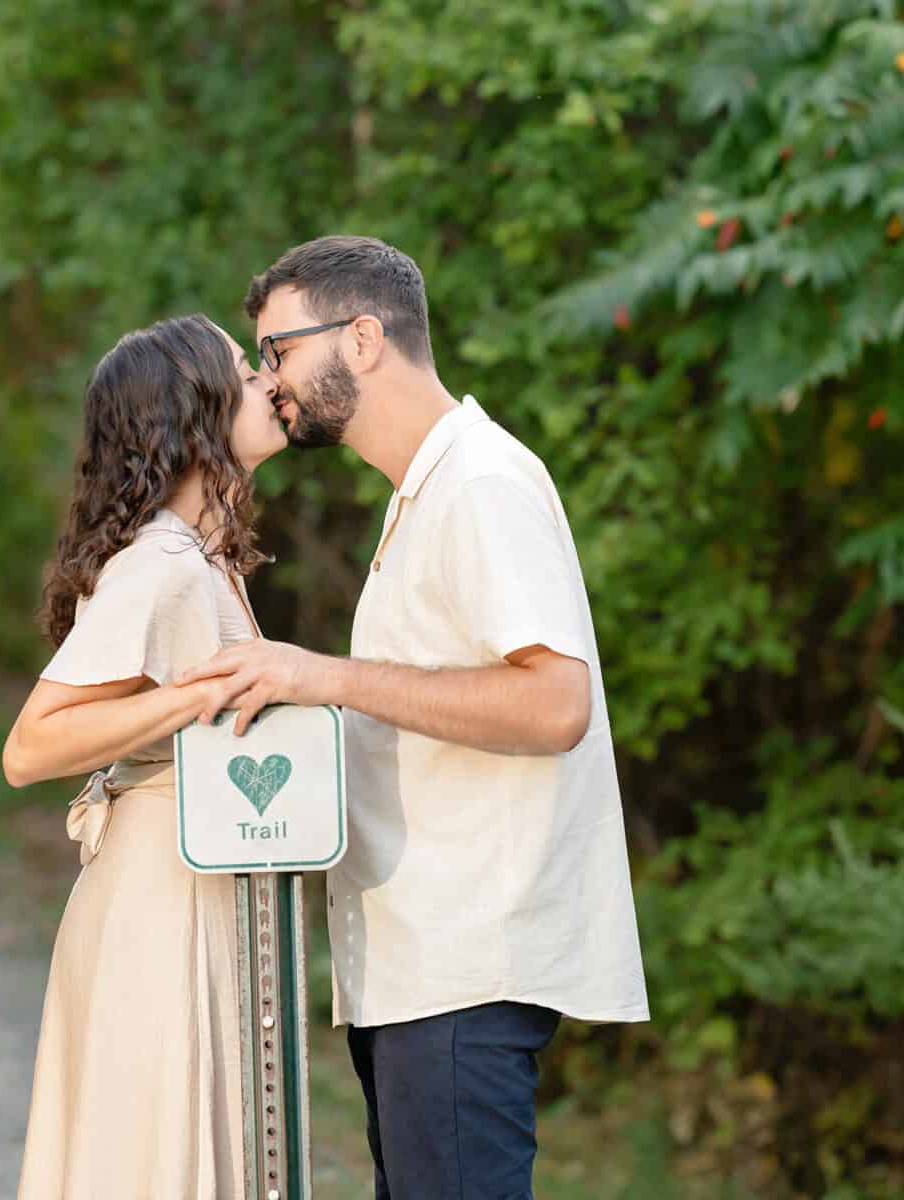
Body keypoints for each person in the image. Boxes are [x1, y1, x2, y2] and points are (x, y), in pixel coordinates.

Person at [179, 235, 650, 1199]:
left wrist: (328, 678)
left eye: (278, 351)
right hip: (415, 964)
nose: (270, 383)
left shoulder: (480, 483)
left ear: (361, 338)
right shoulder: (423, 495)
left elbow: (556, 703)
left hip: (467, 962)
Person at [0, 312, 286, 1199]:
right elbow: (30, 747)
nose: (272, 383)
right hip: (160, 905)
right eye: (247, 373)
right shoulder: (162, 565)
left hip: (196, 884)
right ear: (198, 414)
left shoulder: (201, 559)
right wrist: (201, 693)